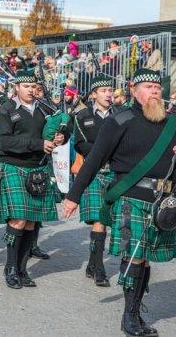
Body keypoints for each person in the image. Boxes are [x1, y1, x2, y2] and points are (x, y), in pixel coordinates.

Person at [62, 68, 176, 336]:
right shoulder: (120, 120)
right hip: (132, 197)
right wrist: (73, 196)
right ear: (134, 91)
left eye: (157, 87)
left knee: (145, 258)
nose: (155, 91)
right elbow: (95, 159)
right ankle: (129, 318)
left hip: (163, 202)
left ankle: (136, 312)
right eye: (148, 87)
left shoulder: (174, 123)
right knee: (135, 257)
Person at [0, 70, 67, 289]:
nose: (30, 90)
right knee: (18, 219)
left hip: (38, 168)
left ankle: (22, 269)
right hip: (14, 166)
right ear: (17, 87)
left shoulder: (45, 109)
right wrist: (38, 144)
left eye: (33, 87)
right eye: (25, 86)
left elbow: (62, 128)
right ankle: (10, 267)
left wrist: (62, 136)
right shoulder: (6, 110)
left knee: (32, 221)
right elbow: (6, 142)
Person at [73, 76, 115, 287]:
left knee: (107, 221)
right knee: (100, 221)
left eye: (110, 90)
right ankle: (99, 268)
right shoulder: (83, 116)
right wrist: (101, 153)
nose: (109, 94)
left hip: (115, 173)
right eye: (104, 90)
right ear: (93, 95)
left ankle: (92, 264)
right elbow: (80, 144)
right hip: (94, 173)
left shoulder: (120, 116)